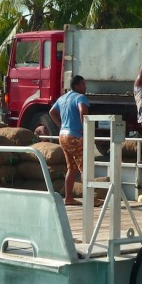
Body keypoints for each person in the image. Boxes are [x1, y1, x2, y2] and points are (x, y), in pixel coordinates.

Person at [49, 75, 90, 206]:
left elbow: (52, 112)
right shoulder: (80, 97)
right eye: (83, 84)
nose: (85, 87)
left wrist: (60, 125)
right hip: (74, 136)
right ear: (77, 86)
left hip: (63, 136)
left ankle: (68, 198)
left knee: (71, 168)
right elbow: (82, 109)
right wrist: (85, 128)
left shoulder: (62, 98)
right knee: (85, 168)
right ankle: (89, 199)